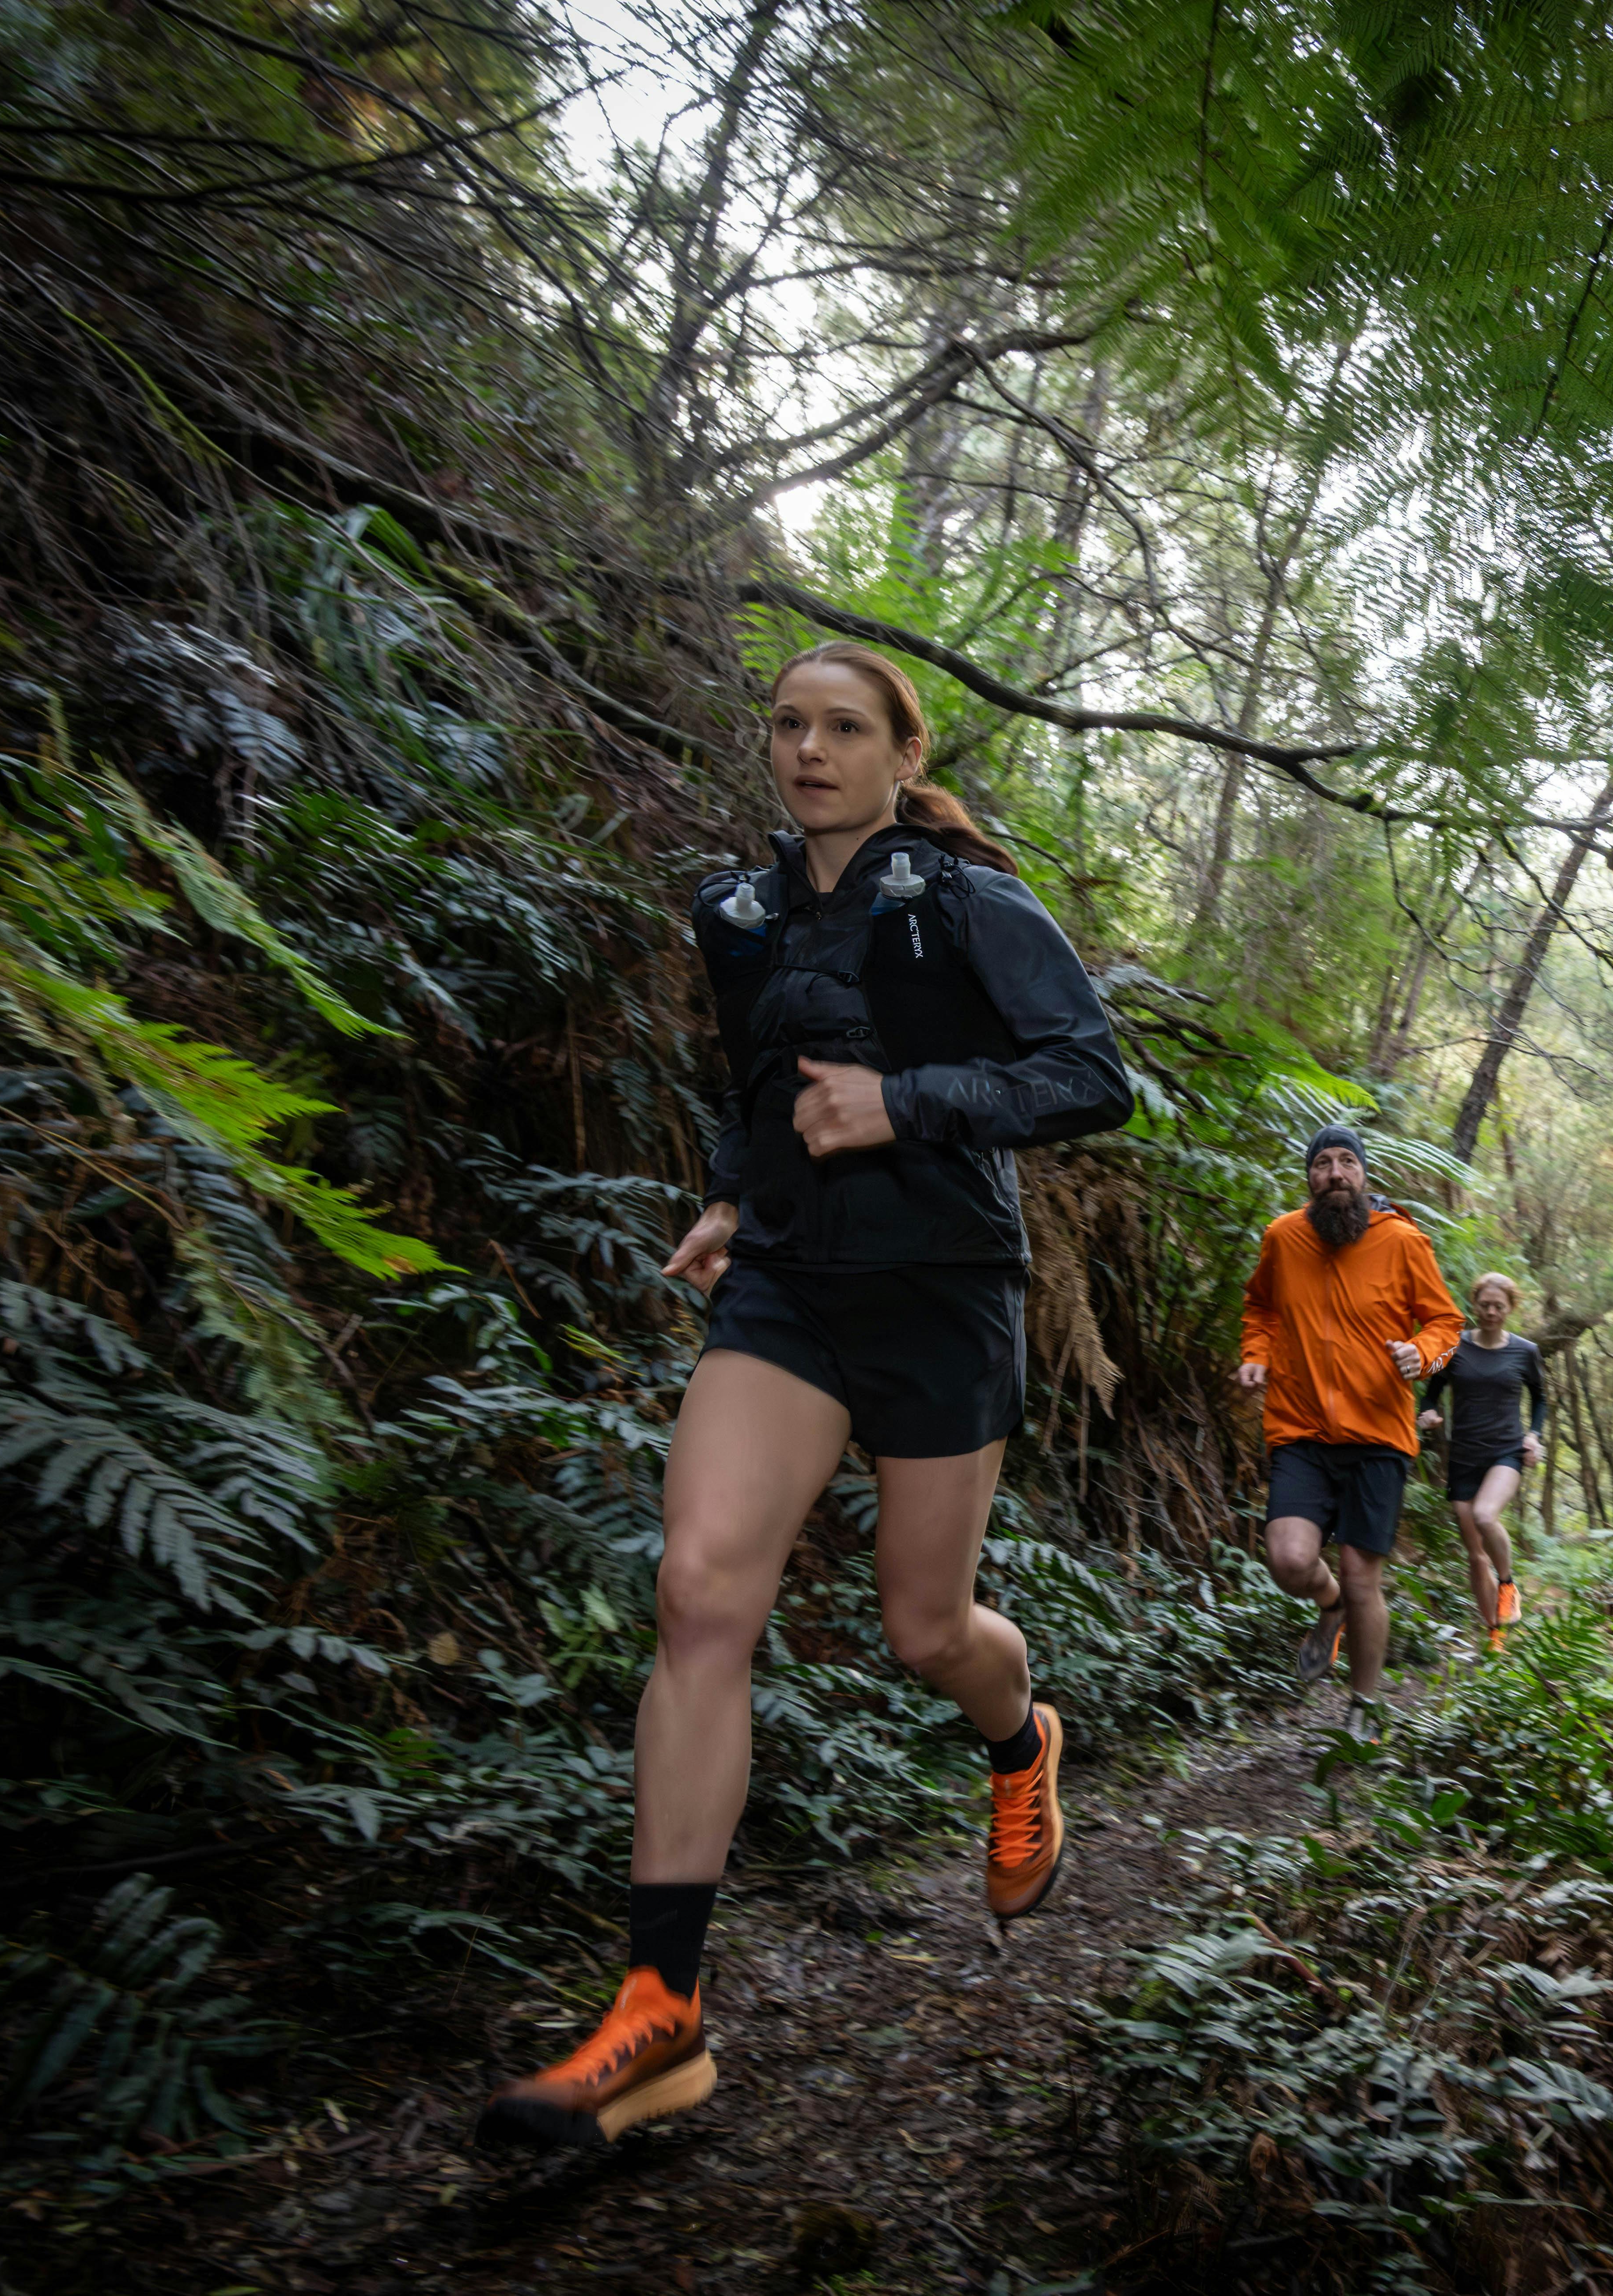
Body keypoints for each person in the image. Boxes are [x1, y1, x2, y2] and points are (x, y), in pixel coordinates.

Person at [474, 642, 1134, 2152]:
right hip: (785, 1279)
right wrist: (728, 1190)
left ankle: (1017, 1734)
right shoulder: (740, 909)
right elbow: (758, 1075)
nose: (809, 749)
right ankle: (660, 2010)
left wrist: (902, 1102)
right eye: (787, 722)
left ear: (903, 755)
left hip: (939, 1283)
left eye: (845, 727)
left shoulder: (967, 898)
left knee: (925, 1627)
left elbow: (1089, 1073)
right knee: (700, 1592)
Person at [1237, 1127, 1464, 1723]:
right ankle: (1327, 1603)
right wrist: (1256, 1353)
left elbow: (1445, 1323)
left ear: (1363, 1174)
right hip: (1300, 1429)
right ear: (1309, 1178)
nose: (1334, 1172)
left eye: (1345, 1162)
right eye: (1321, 1164)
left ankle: (1362, 1712)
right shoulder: (1282, 1238)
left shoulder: (1403, 1240)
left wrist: (1424, 1353)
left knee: (1364, 1577)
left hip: (1379, 1436)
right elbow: (1259, 1306)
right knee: (1288, 1560)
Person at [1416, 1275, 1547, 1654]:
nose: (1491, 1312)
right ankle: (1495, 1636)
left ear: (1510, 1309)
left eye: (1499, 1306)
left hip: (1506, 1452)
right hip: (1464, 1457)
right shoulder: (1454, 1347)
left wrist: (1534, 1436)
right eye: (1485, 1305)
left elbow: (1540, 1398)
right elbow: (1432, 1394)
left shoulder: (1525, 1352)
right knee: (1475, 1554)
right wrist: (1428, 1414)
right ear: (1475, 1304)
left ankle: (1508, 1585)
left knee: (1486, 1516)